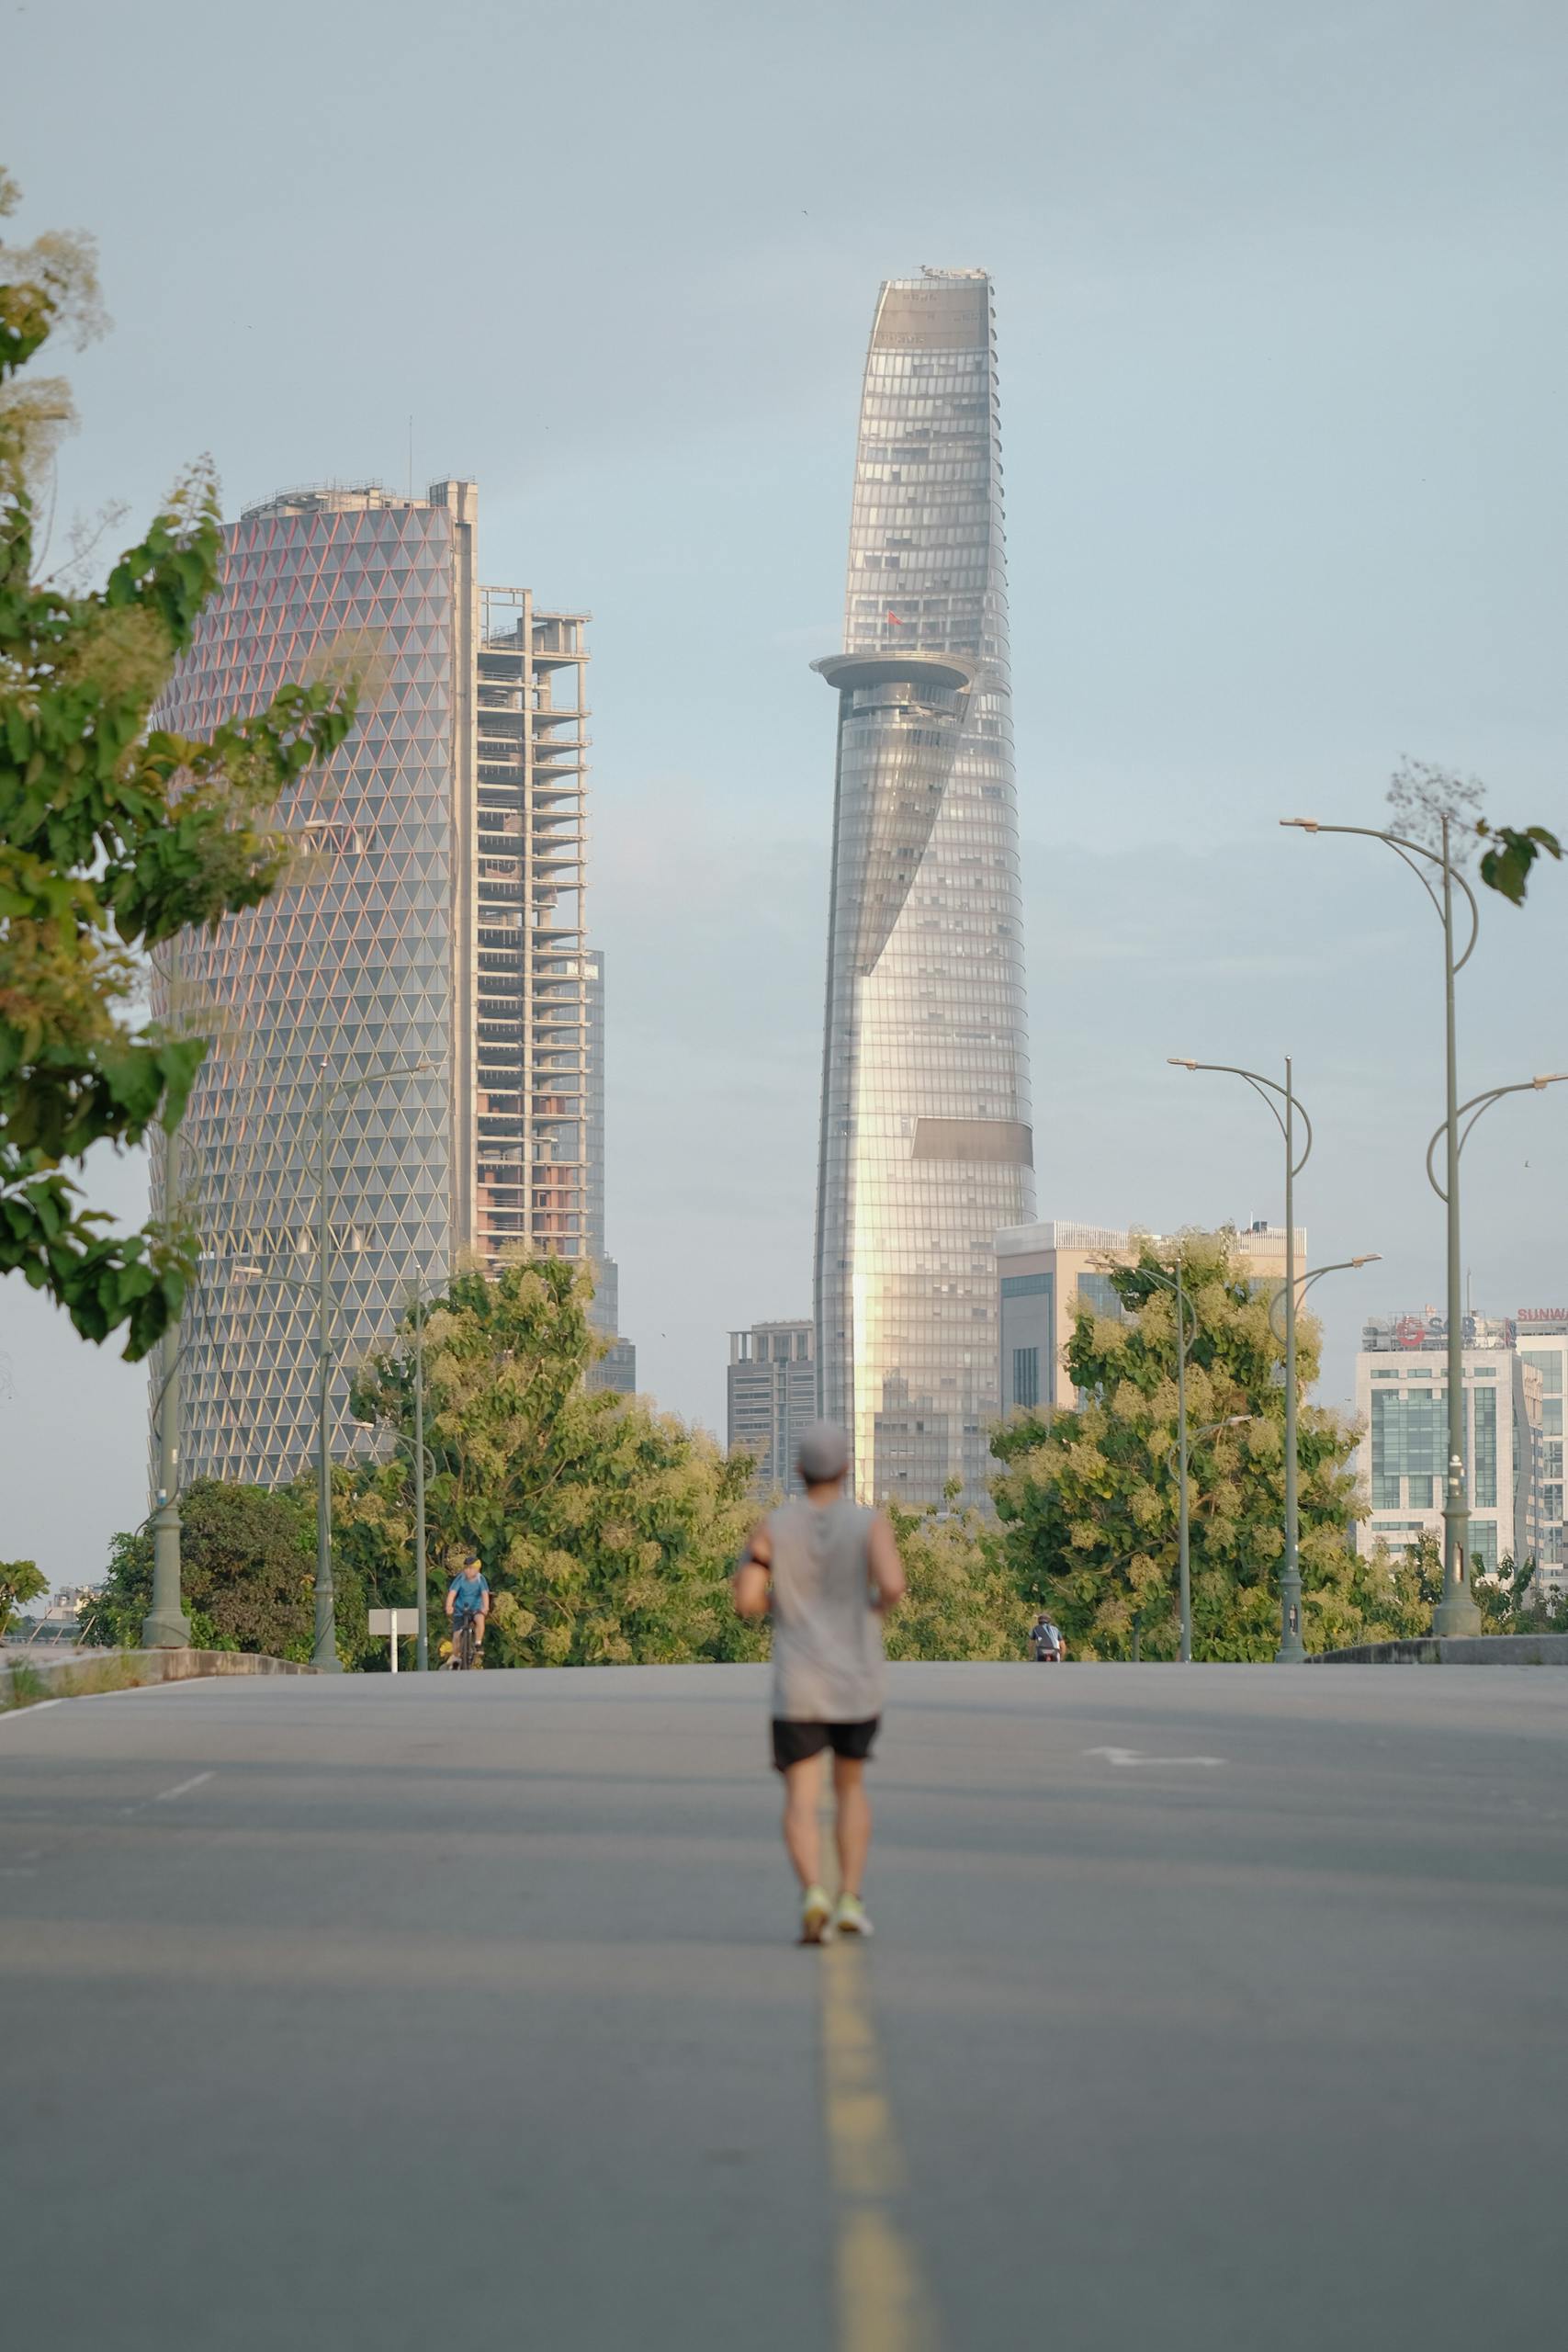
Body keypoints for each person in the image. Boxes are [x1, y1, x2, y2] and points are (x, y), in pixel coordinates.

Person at [732, 1420, 906, 1945]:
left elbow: (746, 1601)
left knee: (801, 1798)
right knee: (850, 1789)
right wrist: (872, 1608)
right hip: (856, 1681)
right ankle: (850, 1896)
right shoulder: (869, 1524)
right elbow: (894, 1585)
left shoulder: (773, 1527)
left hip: (799, 1684)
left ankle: (813, 1893)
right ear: (846, 1469)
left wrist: (781, 1605)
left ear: (800, 1471)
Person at [445, 1553, 490, 1665]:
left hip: (476, 1609)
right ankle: (455, 1657)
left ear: (477, 1569)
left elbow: (485, 1594)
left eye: (471, 1568)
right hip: (461, 1609)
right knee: (456, 1636)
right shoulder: (460, 1578)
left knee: (480, 1620)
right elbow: (452, 1593)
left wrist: (485, 1607)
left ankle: (478, 1643)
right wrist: (449, 1606)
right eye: (466, 1568)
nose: (468, 1571)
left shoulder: (480, 1579)